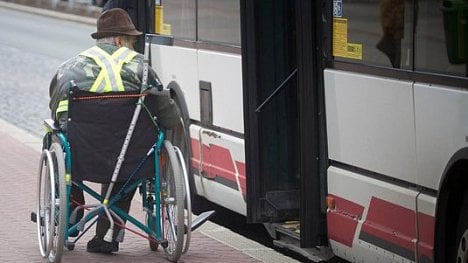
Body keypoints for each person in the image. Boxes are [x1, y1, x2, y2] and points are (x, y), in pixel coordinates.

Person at [48, 8, 181, 254]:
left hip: (82, 155)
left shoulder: (70, 67)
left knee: (58, 141)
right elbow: (169, 116)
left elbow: (57, 109)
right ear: (120, 40)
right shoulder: (142, 69)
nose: (133, 45)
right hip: (130, 156)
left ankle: (73, 212)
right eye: (131, 40)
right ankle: (107, 236)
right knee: (129, 163)